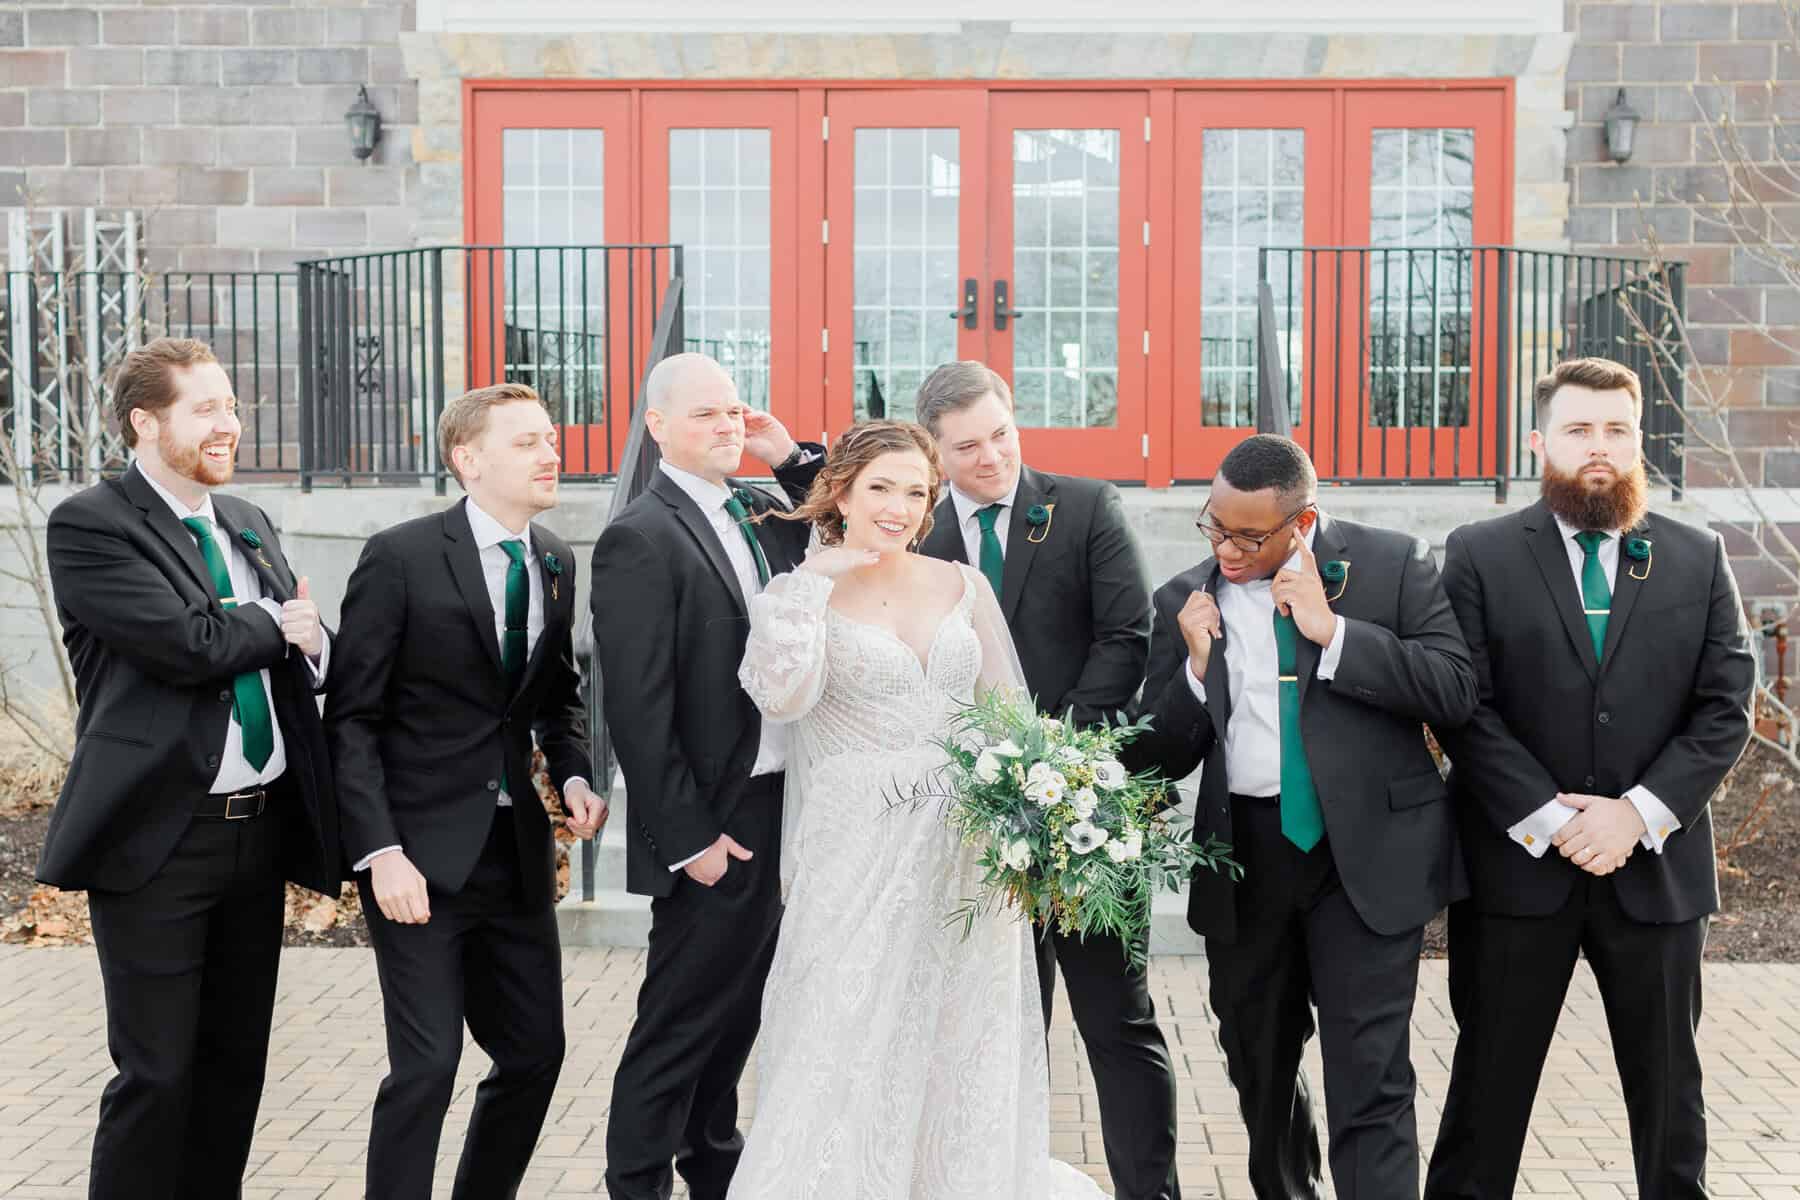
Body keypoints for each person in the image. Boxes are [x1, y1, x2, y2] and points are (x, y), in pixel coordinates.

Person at [729, 418, 1106, 1199]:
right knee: (847, 1026)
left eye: (916, 491)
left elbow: (1011, 714)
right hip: (857, 848)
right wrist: (810, 585)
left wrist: (1045, 797)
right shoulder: (798, 591)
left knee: (961, 1034)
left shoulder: (960, 585)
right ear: (841, 490)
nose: (899, 507)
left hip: (967, 849)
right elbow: (782, 694)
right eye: (881, 488)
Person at [1425, 357, 1755, 1200]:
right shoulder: (1478, 554)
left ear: (1640, 441)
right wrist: (1552, 818)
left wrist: (1636, 815)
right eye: (1578, 430)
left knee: (1671, 1104)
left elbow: (1726, 707)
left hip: (1655, 873)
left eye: (1617, 430)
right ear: (1541, 442)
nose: (1598, 448)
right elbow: (1465, 707)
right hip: (1517, 875)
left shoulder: (1696, 555)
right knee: (1485, 1101)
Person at [1130, 433, 1477, 1200]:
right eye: (1213, 525)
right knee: (1259, 1060)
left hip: (1365, 860)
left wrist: (1334, 633)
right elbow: (1156, 756)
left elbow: (1455, 687)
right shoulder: (1185, 599)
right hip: (1247, 857)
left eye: (1247, 536)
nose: (1224, 547)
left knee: (1371, 1073)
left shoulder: (1391, 565)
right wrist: (1192, 672)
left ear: (1303, 521)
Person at [39, 336, 338, 1199]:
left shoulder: (246, 520)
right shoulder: (92, 524)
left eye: (233, 407)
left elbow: (309, 644)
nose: (229, 425)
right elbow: (186, 644)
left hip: (257, 834)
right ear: (145, 421)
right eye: (205, 408)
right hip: (157, 844)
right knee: (157, 1075)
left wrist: (304, 639)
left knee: (232, 1070)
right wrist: (277, 623)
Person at [325, 382, 601, 1200]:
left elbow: (557, 696)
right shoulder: (400, 557)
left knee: (534, 1056)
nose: (550, 453)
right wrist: (380, 852)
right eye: (527, 442)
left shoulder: (554, 557)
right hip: (416, 860)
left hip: (513, 859)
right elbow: (352, 718)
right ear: (467, 459)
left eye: (551, 438)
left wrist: (576, 772)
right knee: (426, 1068)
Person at [913, 361, 1177, 1200]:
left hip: (1081, 809)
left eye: (1001, 434)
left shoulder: (1085, 507)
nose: (991, 457)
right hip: (965, 824)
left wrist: (1046, 754)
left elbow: (1126, 636)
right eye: (966, 446)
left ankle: (1150, 1193)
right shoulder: (914, 528)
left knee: (1117, 1021)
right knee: (995, 1024)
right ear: (934, 450)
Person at [594, 352, 825, 1200]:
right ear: (656, 428)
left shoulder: (764, 509)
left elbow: (850, 515)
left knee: (736, 1025)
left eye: (734, 410)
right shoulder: (639, 537)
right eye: (705, 415)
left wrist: (786, 453)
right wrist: (689, 839)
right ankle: (638, 1185)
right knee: (677, 1029)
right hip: (713, 825)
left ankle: (715, 1173)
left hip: (778, 807)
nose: (727, 424)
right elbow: (639, 710)